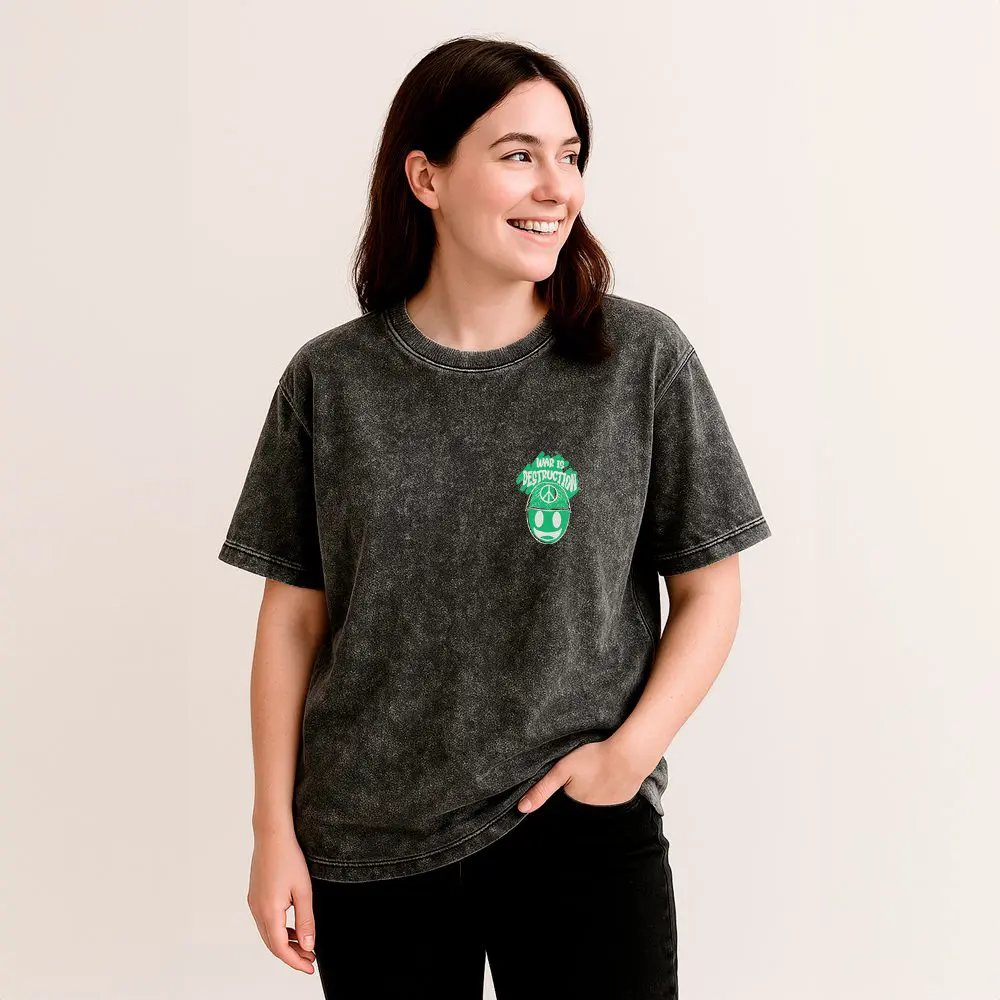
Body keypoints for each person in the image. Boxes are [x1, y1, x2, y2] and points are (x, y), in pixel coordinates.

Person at [217, 35, 771, 1000]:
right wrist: (273, 830)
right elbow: (293, 620)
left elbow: (710, 587)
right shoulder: (331, 381)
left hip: (580, 827)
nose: (556, 187)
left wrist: (628, 757)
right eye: (519, 155)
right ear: (426, 177)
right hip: (371, 839)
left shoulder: (640, 360)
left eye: (571, 156)